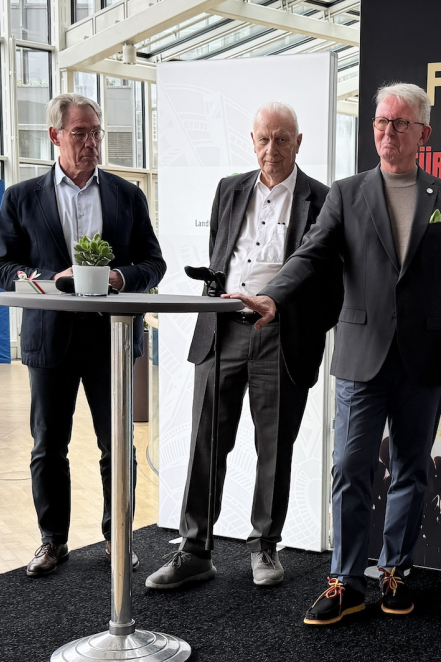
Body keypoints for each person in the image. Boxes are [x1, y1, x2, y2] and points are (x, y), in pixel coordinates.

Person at [232, 82, 441, 626]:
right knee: (350, 468)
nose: (387, 132)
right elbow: (311, 254)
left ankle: (395, 572)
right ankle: (344, 580)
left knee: (412, 470)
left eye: (399, 124)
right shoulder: (347, 193)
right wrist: (273, 295)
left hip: (424, 363)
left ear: (423, 133)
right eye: (380, 123)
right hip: (361, 356)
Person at [144, 102, 333, 590]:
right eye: (263, 139)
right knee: (206, 443)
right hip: (223, 328)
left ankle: (264, 546)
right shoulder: (229, 189)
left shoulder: (322, 198)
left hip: (281, 333)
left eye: (282, 139)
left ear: (298, 141)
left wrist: (292, 314)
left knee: (273, 447)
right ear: (251, 140)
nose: (272, 150)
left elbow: (327, 277)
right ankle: (194, 550)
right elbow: (221, 253)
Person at [0, 93, 166, 578]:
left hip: (113, 340)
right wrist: (45, 279)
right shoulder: (21, 198)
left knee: (119, 447)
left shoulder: (127, 196)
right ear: (55, 137)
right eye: (79, 133)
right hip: (49, 340)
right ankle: (53, 541)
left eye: (96, 132)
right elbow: (0, 265)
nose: (91, 143)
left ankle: (118, 538)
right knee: (49, 445)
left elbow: (154, 264)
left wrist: (117, 278)